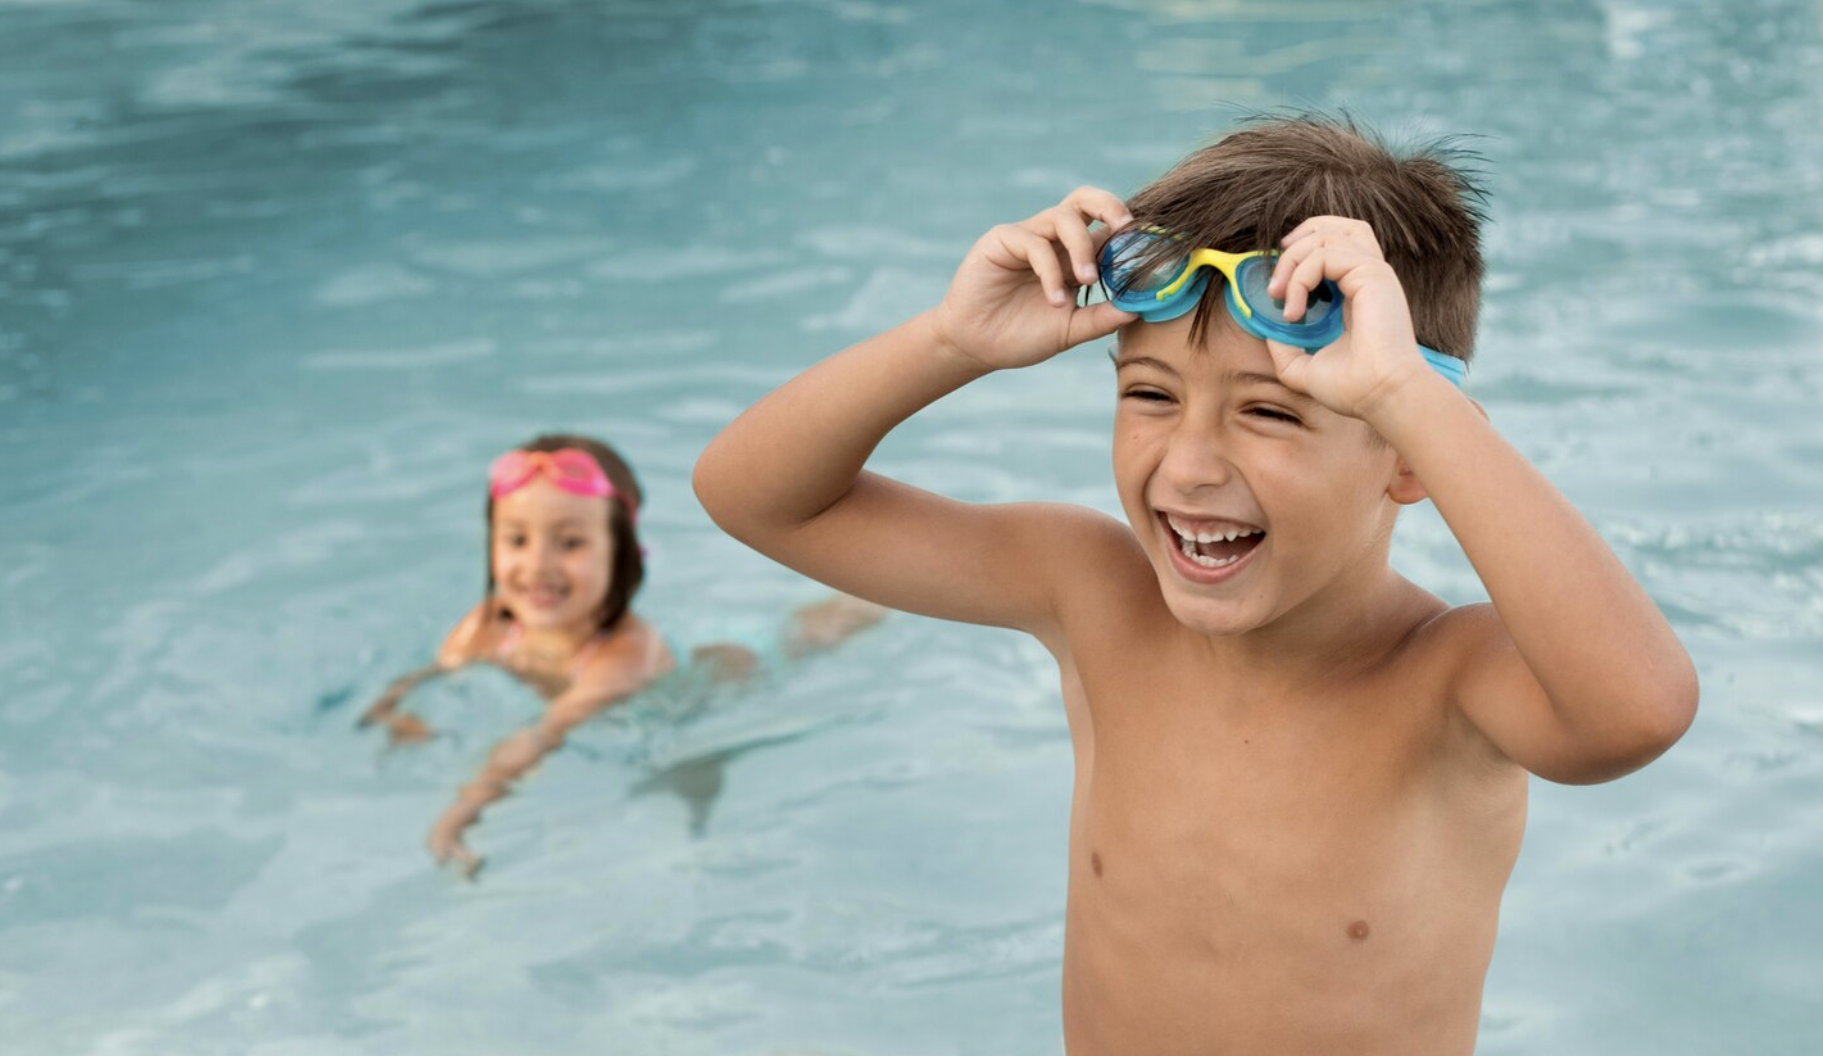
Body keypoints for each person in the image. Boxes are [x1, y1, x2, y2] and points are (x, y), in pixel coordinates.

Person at [692, 114, 1697, 1054]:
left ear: (1408, 459)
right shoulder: (1091, 595)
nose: (1186, 467)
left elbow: (1636, 712)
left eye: (1267, 413)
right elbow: (757, 498)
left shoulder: (1446, 682)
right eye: (1149, 396)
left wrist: (1401, 391)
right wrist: (948, 343)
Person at [361, 434, 883, 876]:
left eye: (569, 543)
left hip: (736, 665)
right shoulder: (490, 622)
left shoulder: (622, 657)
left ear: (623, 555)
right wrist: (397, 714)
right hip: (687, 646)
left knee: (818, 629)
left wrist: (463, 810)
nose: (537, 565)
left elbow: (544, 735)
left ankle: (880, 588)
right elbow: (432, 672)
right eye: (516, 539)